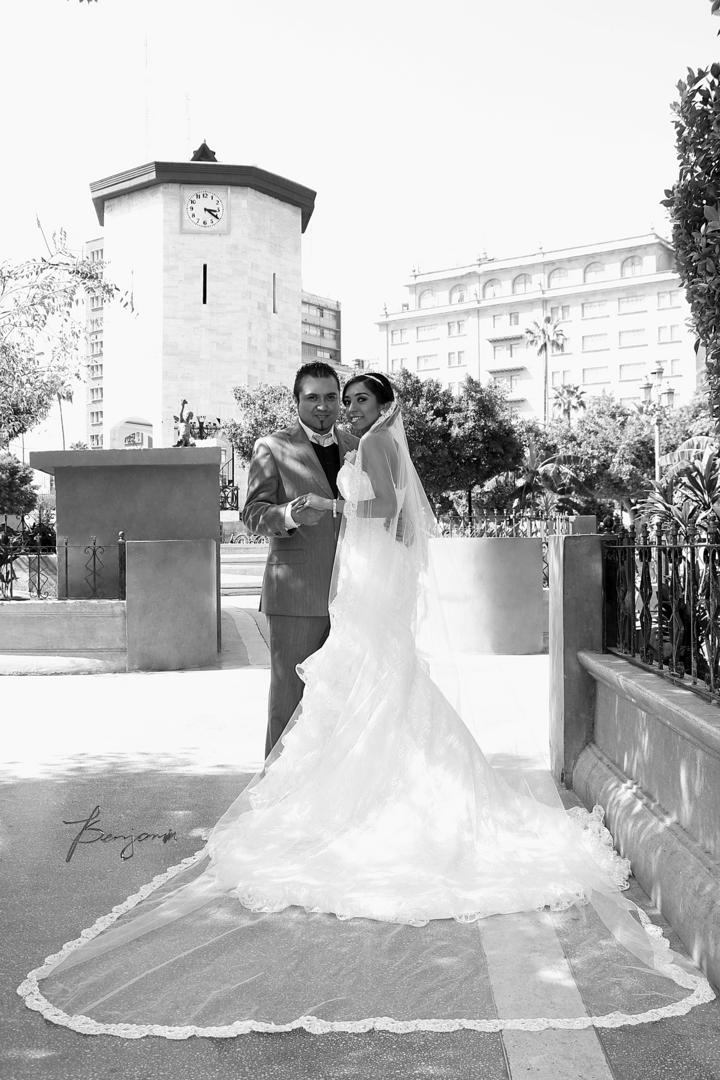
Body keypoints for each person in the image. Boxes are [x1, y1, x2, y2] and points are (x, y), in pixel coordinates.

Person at [18, 374, 714, 1037]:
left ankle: (350, 804)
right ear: (300, 401)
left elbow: (393, 514)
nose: (337, 407)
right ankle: (300, 800)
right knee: (317, 700)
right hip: (318, 589)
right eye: (326, 398)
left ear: (374, 405)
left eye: (347, 397)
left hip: (364, 589)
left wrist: (341, 510)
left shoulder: (370, 443)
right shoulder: (291, 446)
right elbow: (269, 513)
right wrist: (300, 512)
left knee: (369, 694)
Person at [241, 361, 359, 756]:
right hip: (295, 596)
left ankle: (330, 785)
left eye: (330, 397)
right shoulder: (272, 447)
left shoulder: (358, 447)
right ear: (296, 401)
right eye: (312, 398)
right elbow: (252, 513)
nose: (323, 406)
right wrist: (291, 515)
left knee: (343, 701)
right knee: (289, 701)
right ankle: (275, 783)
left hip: (353, 597)